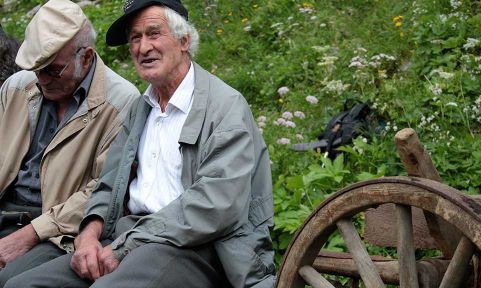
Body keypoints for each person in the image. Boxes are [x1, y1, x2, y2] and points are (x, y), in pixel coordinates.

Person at [5, 0, 275, 287]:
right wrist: (88, 235)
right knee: (22, 284)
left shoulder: (224, 106)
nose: (143, 47)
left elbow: (215, 206)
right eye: (135, 38)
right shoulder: (141, 107)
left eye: (154, 33)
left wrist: (125, 246)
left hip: (194, 246)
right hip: (129, 235)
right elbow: (108, 183)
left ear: (184, 40)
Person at [0, 0, 139, 284]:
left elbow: (103, 189)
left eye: (52, 70)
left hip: (57, 230)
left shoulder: (121, 104)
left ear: (86, 57)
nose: (41, 79)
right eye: (36, 68)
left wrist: (31, 233)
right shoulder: (17, 86)